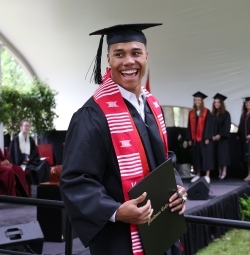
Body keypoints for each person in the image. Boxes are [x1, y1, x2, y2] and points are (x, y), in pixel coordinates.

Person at [59, 23, 187, 255]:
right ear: (108, 59)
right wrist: (116, 211)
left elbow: (165, 159)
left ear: (147, 56)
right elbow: (75, 180)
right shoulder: (93, 115)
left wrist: (177, 187)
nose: (128, 61)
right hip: (121, 240)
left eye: (136, 53)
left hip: (160, 228)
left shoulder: (151, 105)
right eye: (119, 54)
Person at [9, 120, 50, 185]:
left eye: (28, 126)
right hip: (21, 162)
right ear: (21, 127)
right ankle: (38, 185)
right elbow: (15, 153)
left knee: (45, 163)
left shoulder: (30, 139)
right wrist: (24, 158)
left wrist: (30, 158)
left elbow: (34, 152)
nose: (27, 127)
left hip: (30, 161)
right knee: (32, 170)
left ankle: (44, 185)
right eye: (25, 126)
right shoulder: (16, 139)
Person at [187, 92, 214, 183]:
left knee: (206, 157)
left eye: (199, 100)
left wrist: (207, 137)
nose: (197, 101)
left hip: (203, 139)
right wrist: (189, 138)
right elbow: (189, 126)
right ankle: (197, 174)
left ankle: (207, 175)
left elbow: (209, 125)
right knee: (196, 157)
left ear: (202, 101)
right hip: (195, 139)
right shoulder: (191, 112)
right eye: (196, 100)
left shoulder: (207, 111)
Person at [211, 93, 231, 180]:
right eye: (215, 102)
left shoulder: (226, 114)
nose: (216, 104)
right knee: (217, 156)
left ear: (221, 103)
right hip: (214, 139)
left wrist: (220, 135)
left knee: (223, 156)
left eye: (218, 102)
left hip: (223, 139)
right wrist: (212, 135)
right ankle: (219, 172)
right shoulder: (213, 115)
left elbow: (227, 126)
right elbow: (210, 126)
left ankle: (224, 172)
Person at [237, 97, 250, 181]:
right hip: (244, 140)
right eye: (246, 103)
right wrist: (238, 134)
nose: (247, 104)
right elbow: (241, 126)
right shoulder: (244, 114)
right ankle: (249, 174)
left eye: (249, 103)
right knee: (248, 159)